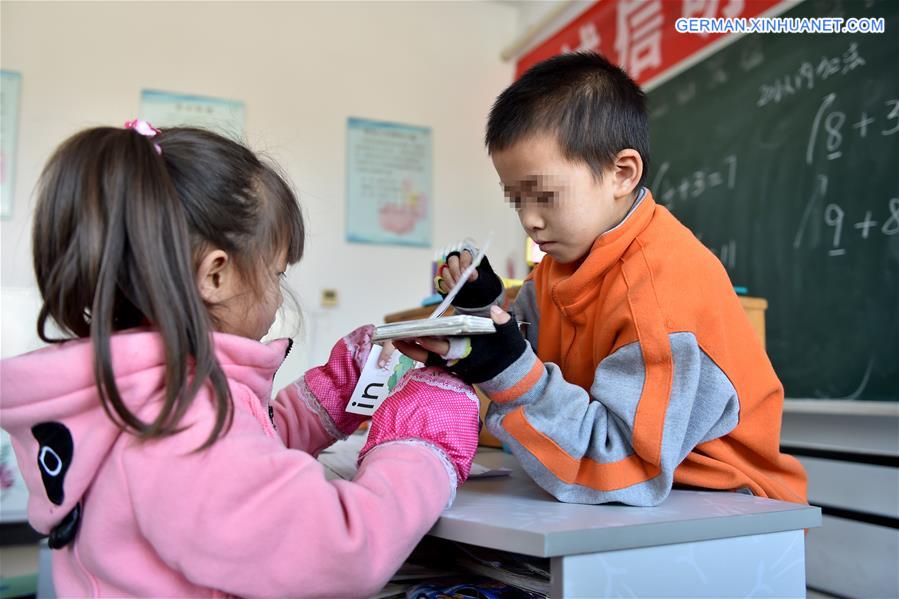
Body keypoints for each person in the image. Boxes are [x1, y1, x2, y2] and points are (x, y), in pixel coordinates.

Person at [0, 121, 480, 597]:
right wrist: (423, 438)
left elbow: (242, 461)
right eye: (275, 273)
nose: (277, 296)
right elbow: (339, 552)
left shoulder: (139, 395)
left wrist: (336, 390)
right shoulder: (177, 421)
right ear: (215, 275)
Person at [397, 52, 807, 507]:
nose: (530, 220)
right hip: (632, 491)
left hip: (725, 503)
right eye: (516, 200)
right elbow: (519, 343)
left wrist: (505, 367)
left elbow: (621, 463)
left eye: (545, 195)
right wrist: (480, 306)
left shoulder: (660, 295)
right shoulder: (562, 264)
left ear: (622, 174)